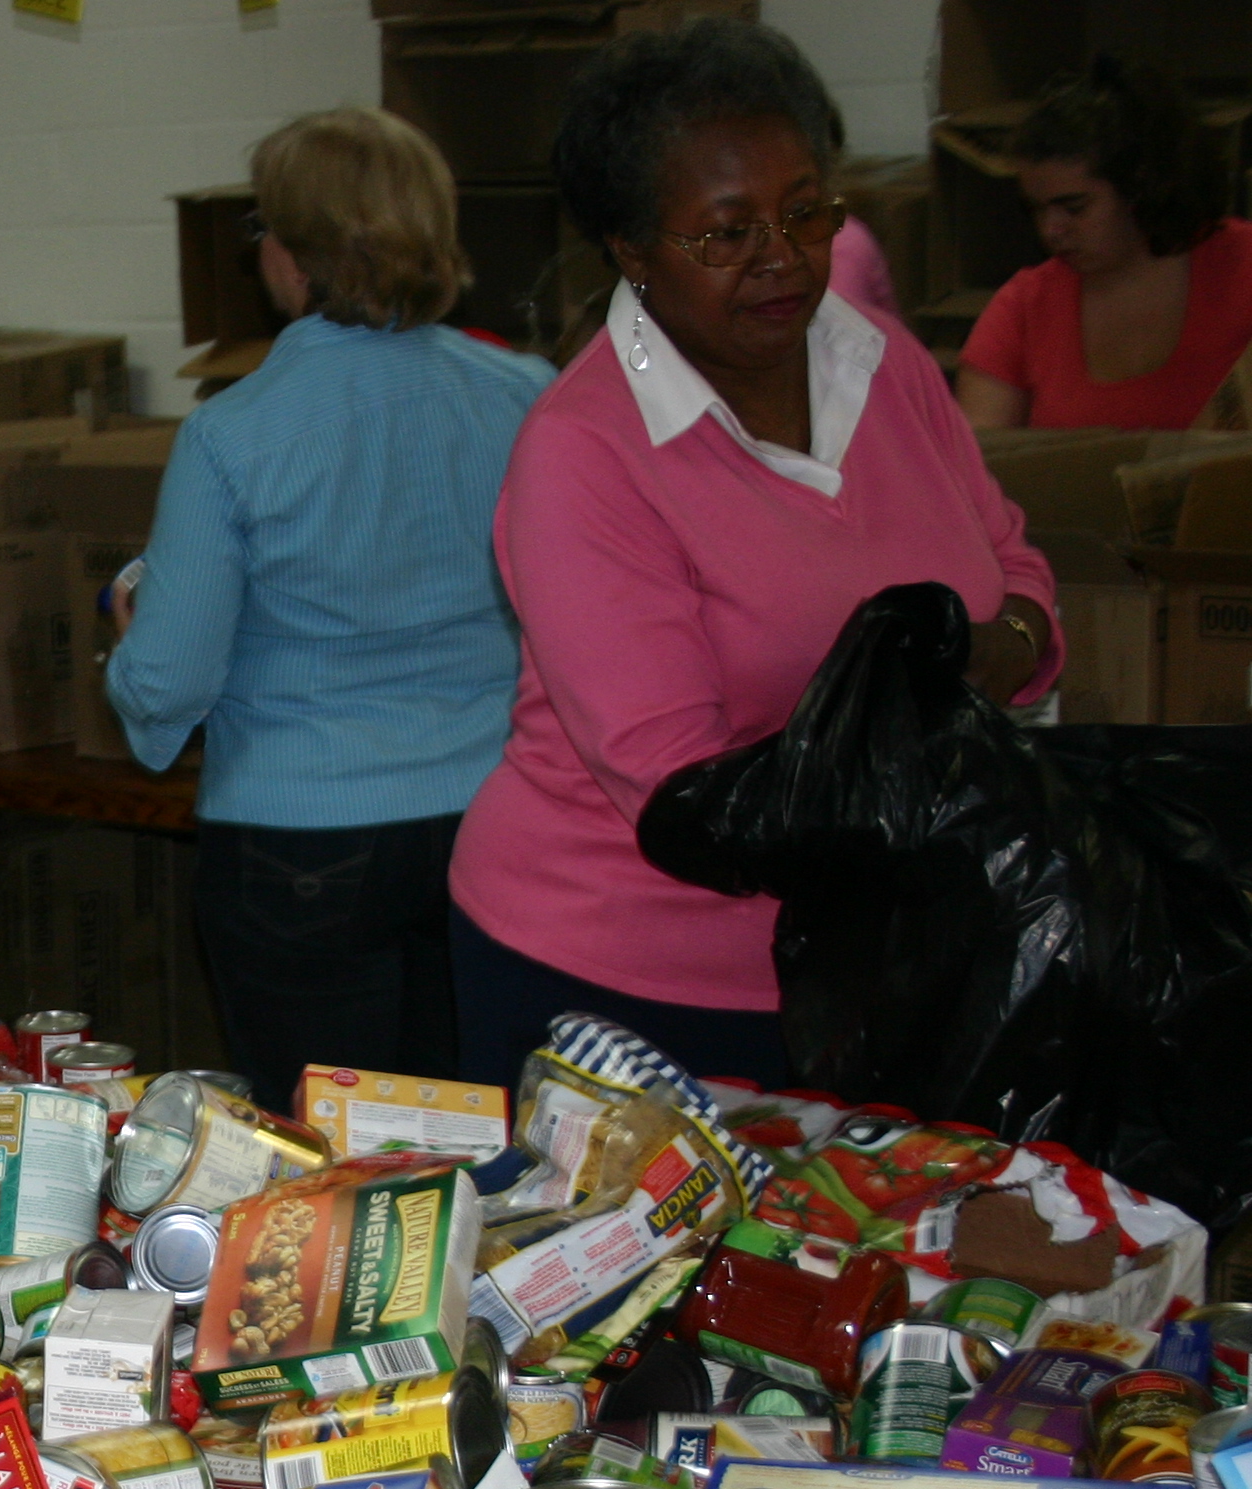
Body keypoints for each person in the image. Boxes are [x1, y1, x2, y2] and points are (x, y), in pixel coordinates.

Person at [452, 18, 1059, 1091]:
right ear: (632, 251)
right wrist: (940, 690)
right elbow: (686, 790)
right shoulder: (585, 452)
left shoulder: (883, 366)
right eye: (726, 234)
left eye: (807, 211)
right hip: (635, 982)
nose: (783, 257)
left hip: (880, 952)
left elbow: (1016, 568)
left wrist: (996, 642)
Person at [105, 109, 549, 1090]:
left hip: (298, 846)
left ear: (294, 259)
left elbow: (173, 675)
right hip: (496, 820)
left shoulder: (233, 434)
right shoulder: (526, 396)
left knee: (327, 1170)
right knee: (475, 1131)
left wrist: (133, 645)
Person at [957, 62, 1252, 432]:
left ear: (1139, 184)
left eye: (1075, 207)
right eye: (1036, 208)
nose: (1051, 230)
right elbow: (977, 460)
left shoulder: (1242, 268)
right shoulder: (1023, 308)